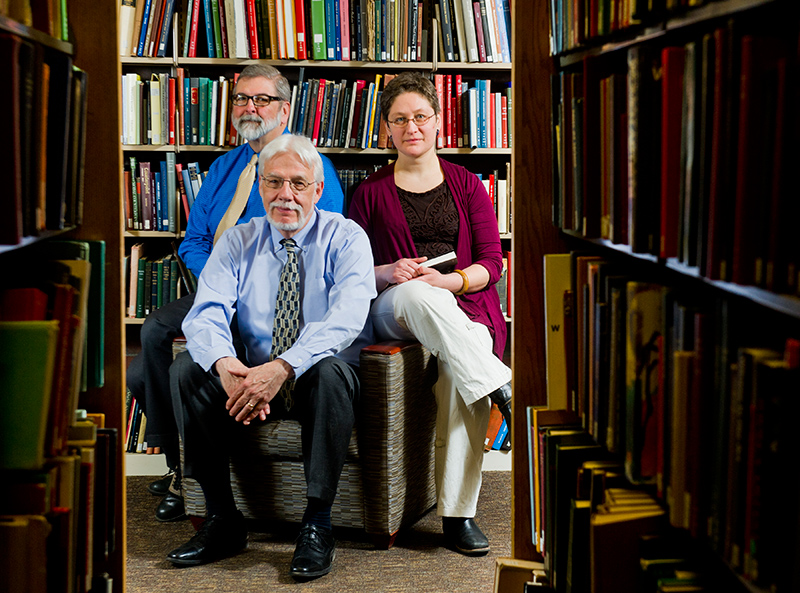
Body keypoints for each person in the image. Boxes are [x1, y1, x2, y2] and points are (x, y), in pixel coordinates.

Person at [125, 64, 345, 522]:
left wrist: (239, 281)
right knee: (150, 345)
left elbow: (312, 237)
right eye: (242, 99)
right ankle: (177, 469)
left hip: (278, 292)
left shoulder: (306, 166)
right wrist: (221, 278)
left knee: (168, 355)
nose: (249, 107)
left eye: (261, 99)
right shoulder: (225, 167)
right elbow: (195, 239)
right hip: (218, 283)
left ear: (285, 110)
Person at [166, 133, 376, 579]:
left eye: (298, 184)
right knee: (187, 367)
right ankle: (223, 519)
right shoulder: (237, 241)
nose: (285, 195)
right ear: (260, 187)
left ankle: (317, 524)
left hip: (314, 378)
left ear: (317, 190)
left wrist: (283, 368)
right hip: (250, 373)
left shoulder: (347, 237)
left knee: (333, 372)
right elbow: (204, 315)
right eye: (274, 182)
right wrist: (225, 366)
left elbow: (347, 319)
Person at [348, 72, 512, 557]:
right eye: (400, 119)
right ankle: (502, 384)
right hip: (395, 307)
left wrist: (452, 281)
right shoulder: (369, 193)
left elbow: (490, 262)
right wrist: (388, 270)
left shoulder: (465, 184)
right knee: (420, 296)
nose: (411, 126)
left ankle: (458, 515)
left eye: (420, 116)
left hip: (461, 306)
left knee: (463, 364)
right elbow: (348, 271)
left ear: (438, 122)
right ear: (387, 130)